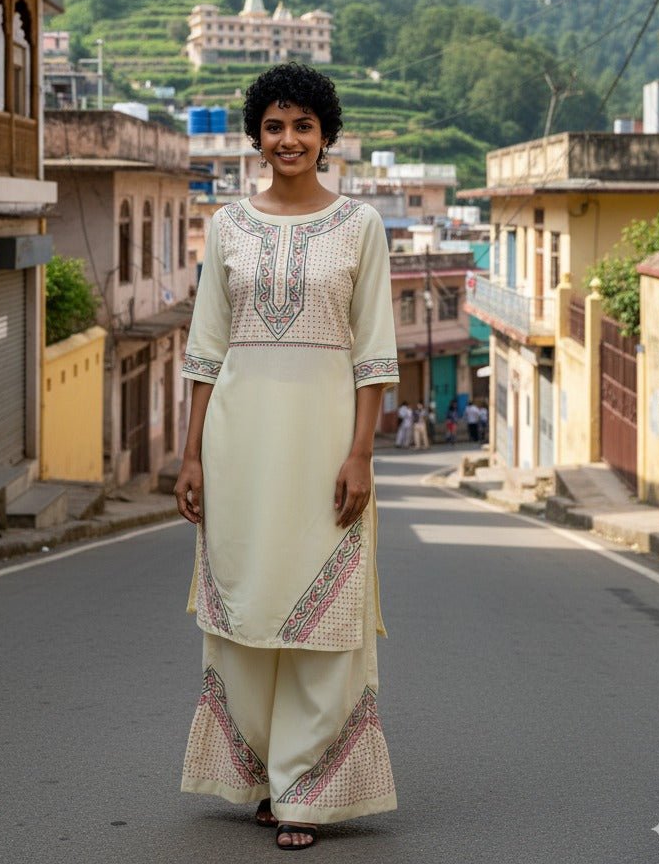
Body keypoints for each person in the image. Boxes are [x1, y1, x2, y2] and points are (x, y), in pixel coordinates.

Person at [174, 63, 398, 851]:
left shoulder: (361, 226)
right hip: (239, 447)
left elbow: (374, 355)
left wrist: (362, 454)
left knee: (322, 620)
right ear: (256, 138)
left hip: (326, 450)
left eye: (303, 125)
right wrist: (191, 455)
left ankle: (305, 790)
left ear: (327, 135)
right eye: (274, 125)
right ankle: (264, 776)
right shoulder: (229, 226)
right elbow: (205, 350)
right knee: (246, 612)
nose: (289, 139)